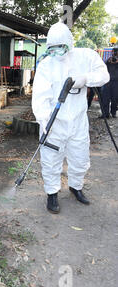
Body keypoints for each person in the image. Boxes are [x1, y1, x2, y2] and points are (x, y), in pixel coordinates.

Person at [32, 22, 110, 214]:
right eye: (53, 48)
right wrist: (44, 121)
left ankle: (76, 187)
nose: (57, 52)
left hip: (78, 121)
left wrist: (84, 79)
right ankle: (52, 194)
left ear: (69, 43)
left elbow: (103, 75)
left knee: (80, 157)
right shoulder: (45, 65)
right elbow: (40, 96)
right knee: (51, 160)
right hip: (54, 122)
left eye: (61, 47)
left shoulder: (86, 56)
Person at [100, 47, 118, 118]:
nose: (114, 54)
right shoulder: (108, 60)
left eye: (115, 52)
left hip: (116, 82)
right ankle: (105, 114)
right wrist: (108, 62)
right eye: (113, 52)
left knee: (114, 98)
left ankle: (113, 113)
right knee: (105, 98)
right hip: (107, 81)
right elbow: (103, 68)